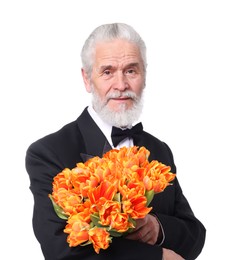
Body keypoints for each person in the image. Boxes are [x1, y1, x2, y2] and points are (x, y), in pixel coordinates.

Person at [25, 23, 206, 260]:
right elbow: (60, 251)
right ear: (87, 79)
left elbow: (194, 235)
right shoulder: (48, 152)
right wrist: (158, 257)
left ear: (144, 75)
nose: (121, 85)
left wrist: (157, 228)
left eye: (131, 71)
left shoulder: (159, 150)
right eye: (107, 72)